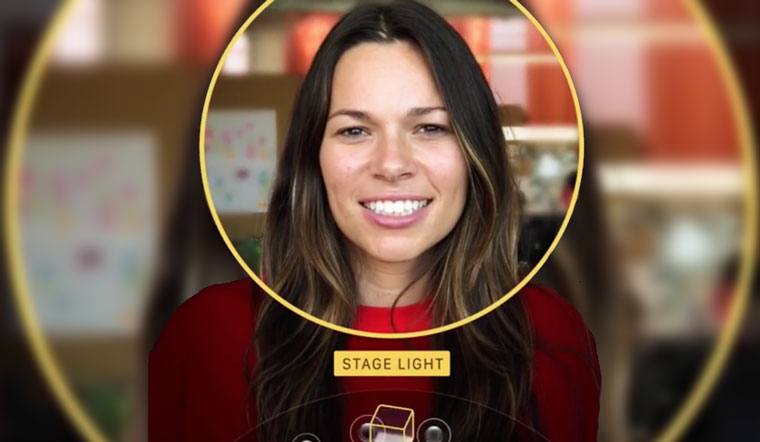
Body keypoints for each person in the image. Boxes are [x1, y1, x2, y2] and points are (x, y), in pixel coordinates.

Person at [149, 1, 601, 441]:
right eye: (355, 130)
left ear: (475, 154)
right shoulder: (208, 335)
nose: (391, 164)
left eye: (430, 128)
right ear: (313, 157)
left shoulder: (551, 333)